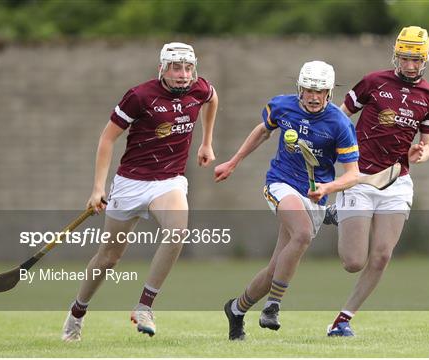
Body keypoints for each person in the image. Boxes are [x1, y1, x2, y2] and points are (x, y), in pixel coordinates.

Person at [61, 42, 218, 341]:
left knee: (177, 232)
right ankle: (77, 312)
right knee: (108, 258)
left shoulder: (199, 88)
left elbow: (213, 98)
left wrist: (207, 141)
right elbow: (107, 139)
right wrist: (98, 188)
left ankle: (145, 306)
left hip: (168, 181)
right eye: (175, 67)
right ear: (162, 68)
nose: (182, 74)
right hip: (131, 183)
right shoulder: (140, 96)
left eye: (187, 67)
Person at [214, 60, 360, 340]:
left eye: (321, 91)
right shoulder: (282, 106)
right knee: (303, 234)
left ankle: (236, 309)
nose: (314, 97)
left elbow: (352, 175)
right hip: (280, 182)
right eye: (308, 90)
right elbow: (263, 130)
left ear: (330, 93)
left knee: (274, 270)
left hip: (314, 194)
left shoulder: (339, 123)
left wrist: (328, 188)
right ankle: (273, 306)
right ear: (299, 89)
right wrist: (233, 161)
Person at [323, 26, 429, 337]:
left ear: (425, 59)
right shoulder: (373, 83)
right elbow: (339, 116)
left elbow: (427, 144)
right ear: (396, 56)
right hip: (359, 177)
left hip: (396, 181)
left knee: (383, 255)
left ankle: (343, 320)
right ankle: (333, 212)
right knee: (353, 262)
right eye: (405, 58)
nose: (410, 65)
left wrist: (421, 152)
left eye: (416, 59)